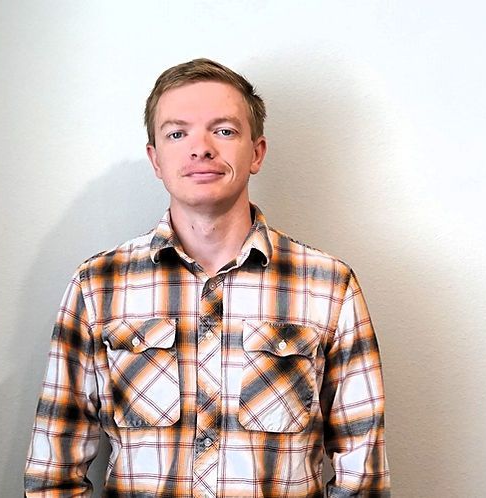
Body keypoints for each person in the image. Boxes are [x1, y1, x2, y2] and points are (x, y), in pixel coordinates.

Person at [24, 58, 390, 497]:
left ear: (256, 152)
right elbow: (53, 472)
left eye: (224, 130)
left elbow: (362, 475)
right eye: (177, 133)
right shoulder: (97, 286)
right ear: (155, 158)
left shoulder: (329, 287)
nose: (200, 149)